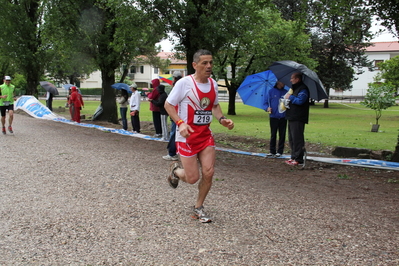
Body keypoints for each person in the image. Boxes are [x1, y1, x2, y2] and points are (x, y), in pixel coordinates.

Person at [164, 49, 234, 223]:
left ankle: (198, 208)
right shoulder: (184, 83)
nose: (209, 66)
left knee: (209, 172)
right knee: (193, 178)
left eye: (211, 62)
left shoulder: (213, 84)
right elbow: (168, 105)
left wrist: (222, 119)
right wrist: (180, 123)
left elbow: (215, 106)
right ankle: (176, 171)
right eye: (204, 63)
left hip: (205, 136)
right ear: (195, 65)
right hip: (187, 138)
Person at [284, 72, 309, 166]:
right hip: (291, 116)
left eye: (292, 78)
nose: (291, 80)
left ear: (297, 79)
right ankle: (293, 156)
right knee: (291, 138)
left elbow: (300, 101)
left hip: (298, 117)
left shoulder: (303, 89)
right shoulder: (294, 89)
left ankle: (299, 158)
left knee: (297, 138)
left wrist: (290, 97)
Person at [163, 71, 183, 161]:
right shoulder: (185, 86)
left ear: (174, 78)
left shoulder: (176, 87)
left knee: (174, 133)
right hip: (183, 114)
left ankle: (172, 153)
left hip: (176, 114)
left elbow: (170, 103)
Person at [265, 81, 287, 157]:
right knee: (273, 134)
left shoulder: (286, 92)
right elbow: (265, 103)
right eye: (282, 82)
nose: (284, 83)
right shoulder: (271, 91)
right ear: (278, 82)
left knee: (282, 134)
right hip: (273, 117)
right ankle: (272, 151)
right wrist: (267, 108)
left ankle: (280, 151)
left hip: (283, 117)